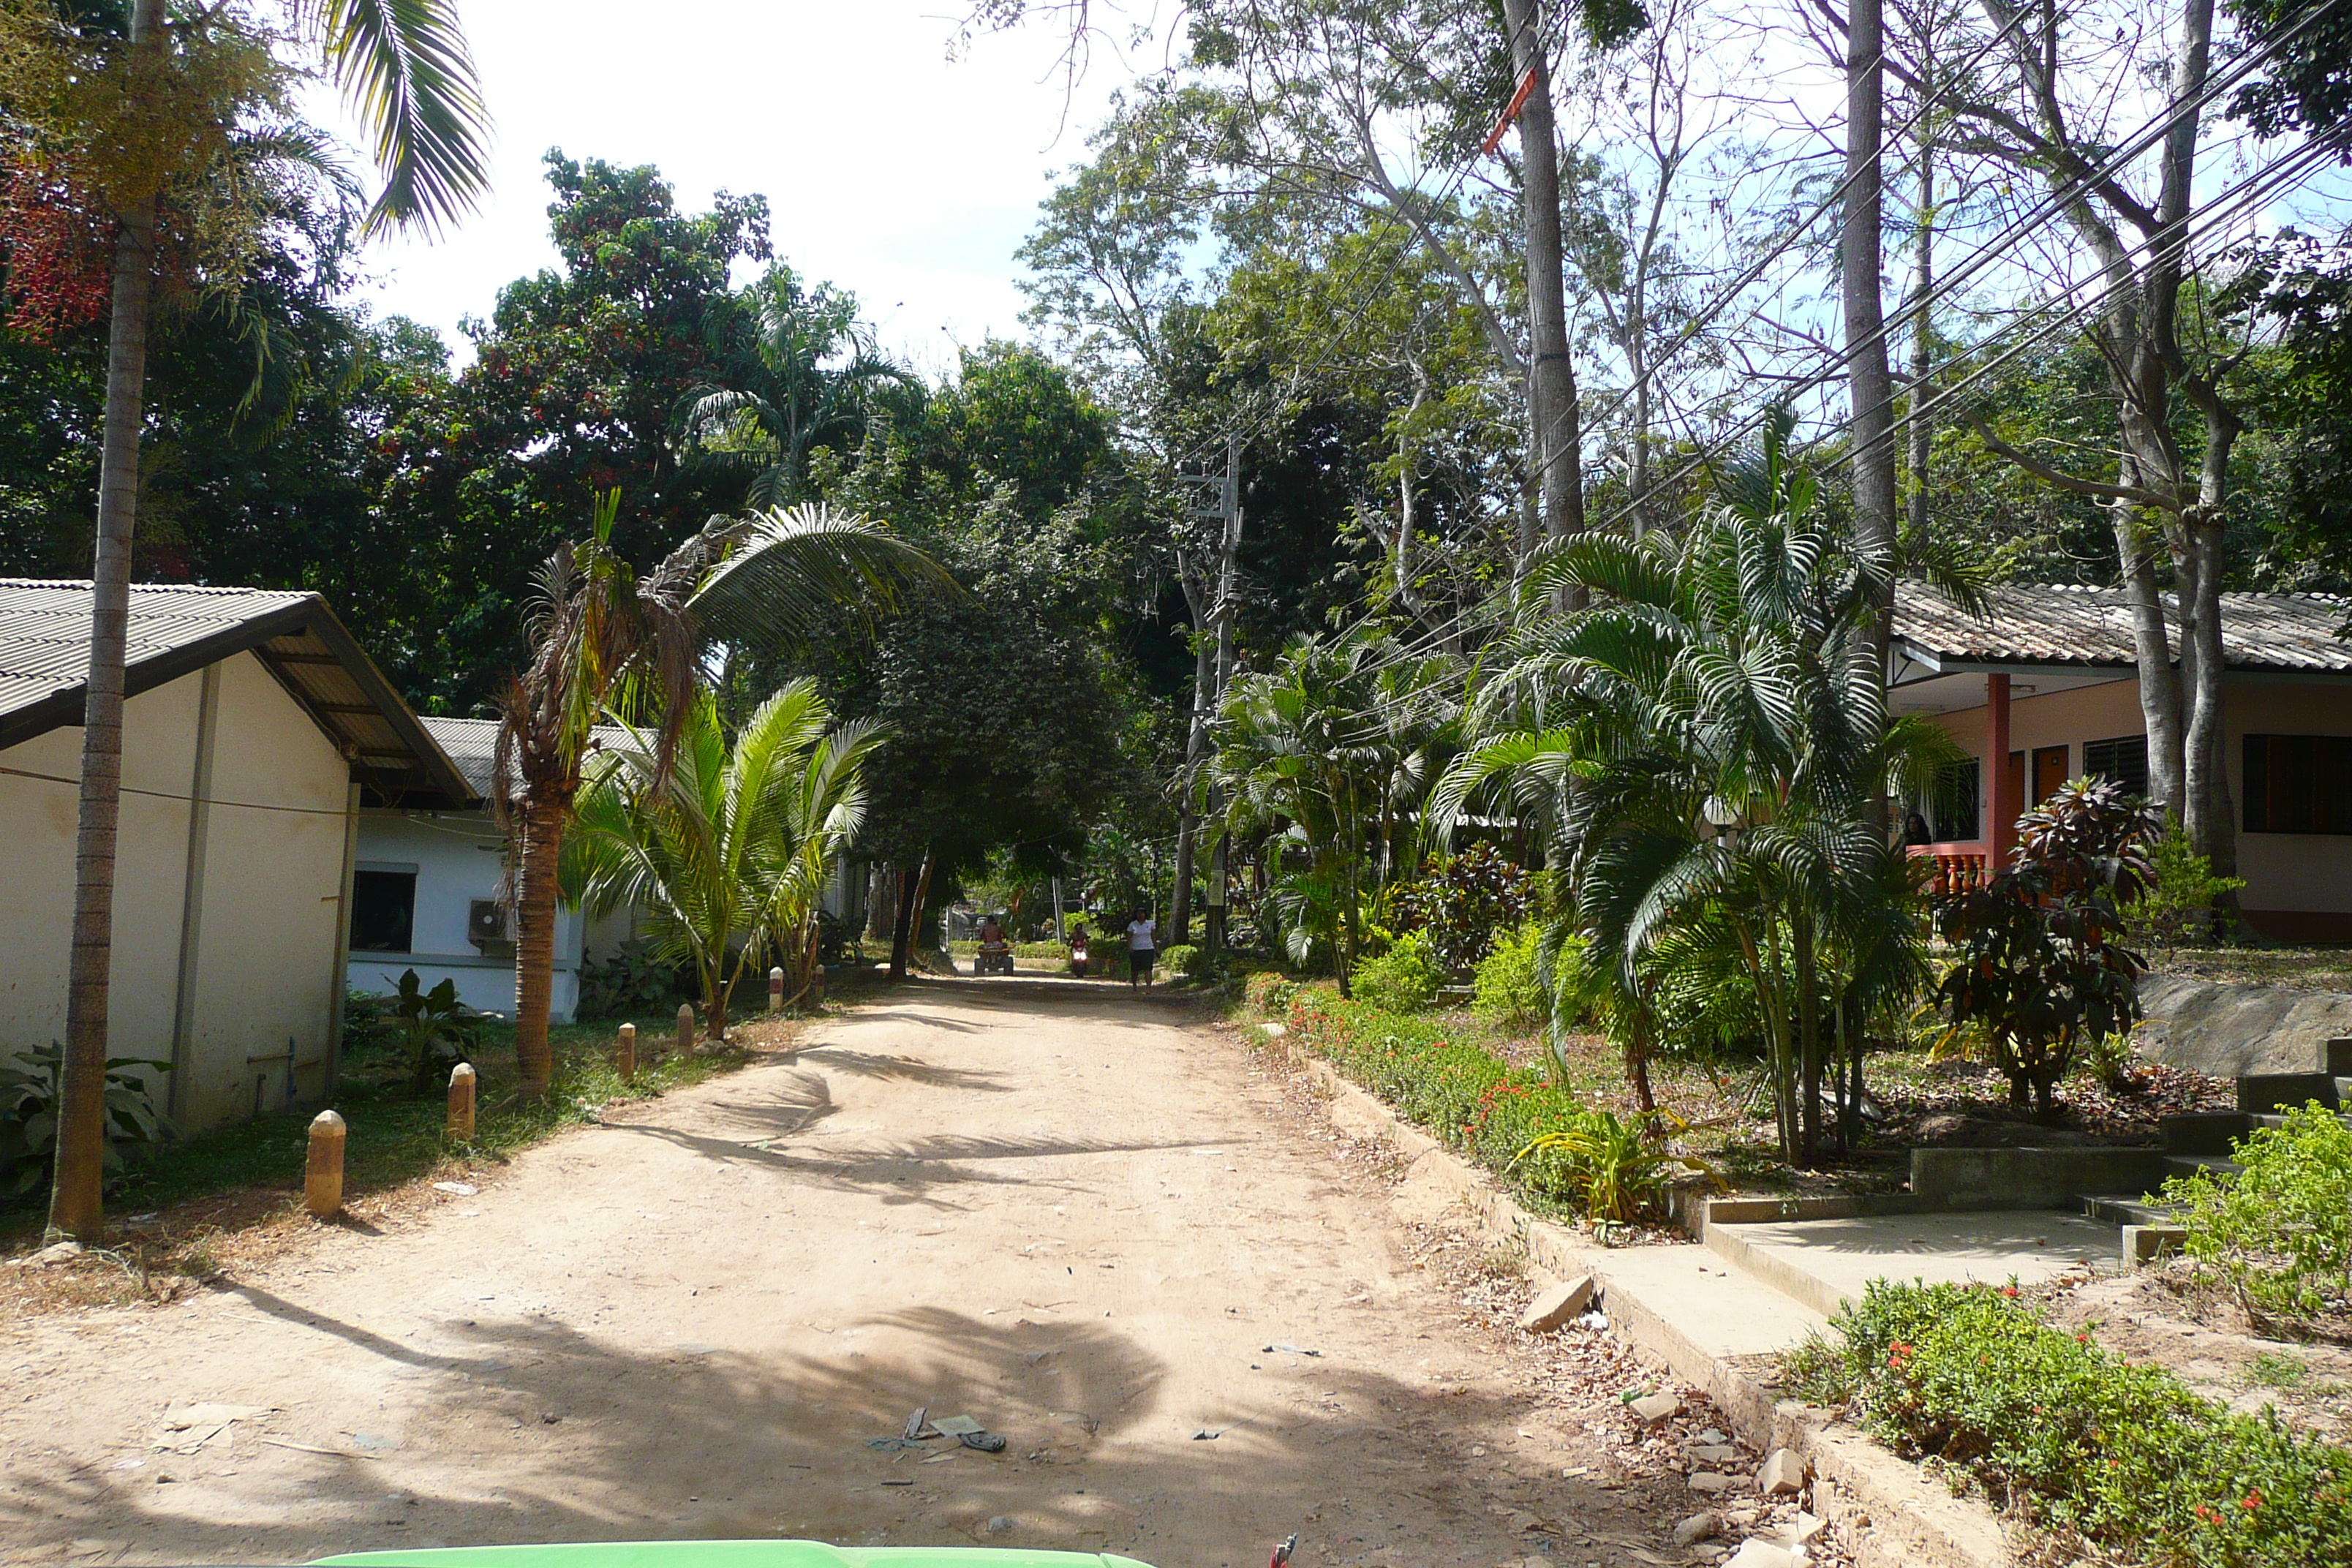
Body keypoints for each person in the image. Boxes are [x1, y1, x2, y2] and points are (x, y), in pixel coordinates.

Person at [1126, 908, 1158, 988]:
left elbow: (1153, 937)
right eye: (1139, 914)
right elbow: (1129, 938)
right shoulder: (1132, 925)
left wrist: (1156, 948)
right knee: (1135, 970)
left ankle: (1148, 987)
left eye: (1142, 913)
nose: (1141, 915)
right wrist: (1130, 947)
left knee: (1148, 969)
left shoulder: (1150, 924)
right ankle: (1134, 985)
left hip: (1148, 949)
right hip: (1136, 949)